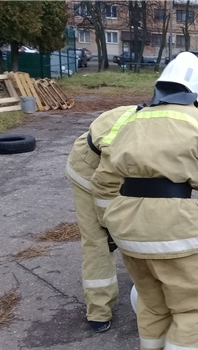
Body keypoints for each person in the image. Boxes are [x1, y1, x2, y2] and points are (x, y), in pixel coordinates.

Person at [90, 52, 198, 350]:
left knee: (153, 302)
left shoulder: (131, 119)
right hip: (175, 225)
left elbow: (103, 181)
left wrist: (109, 224)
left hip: (127, 228)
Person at [66, 104, 139, 332]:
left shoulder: (168, 124)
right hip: (89, 171)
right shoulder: (128, 134)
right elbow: (104, 188)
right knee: (98, 241)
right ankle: (99, 309)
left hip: (119, 175)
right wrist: (110, 226)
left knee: (137, 230)